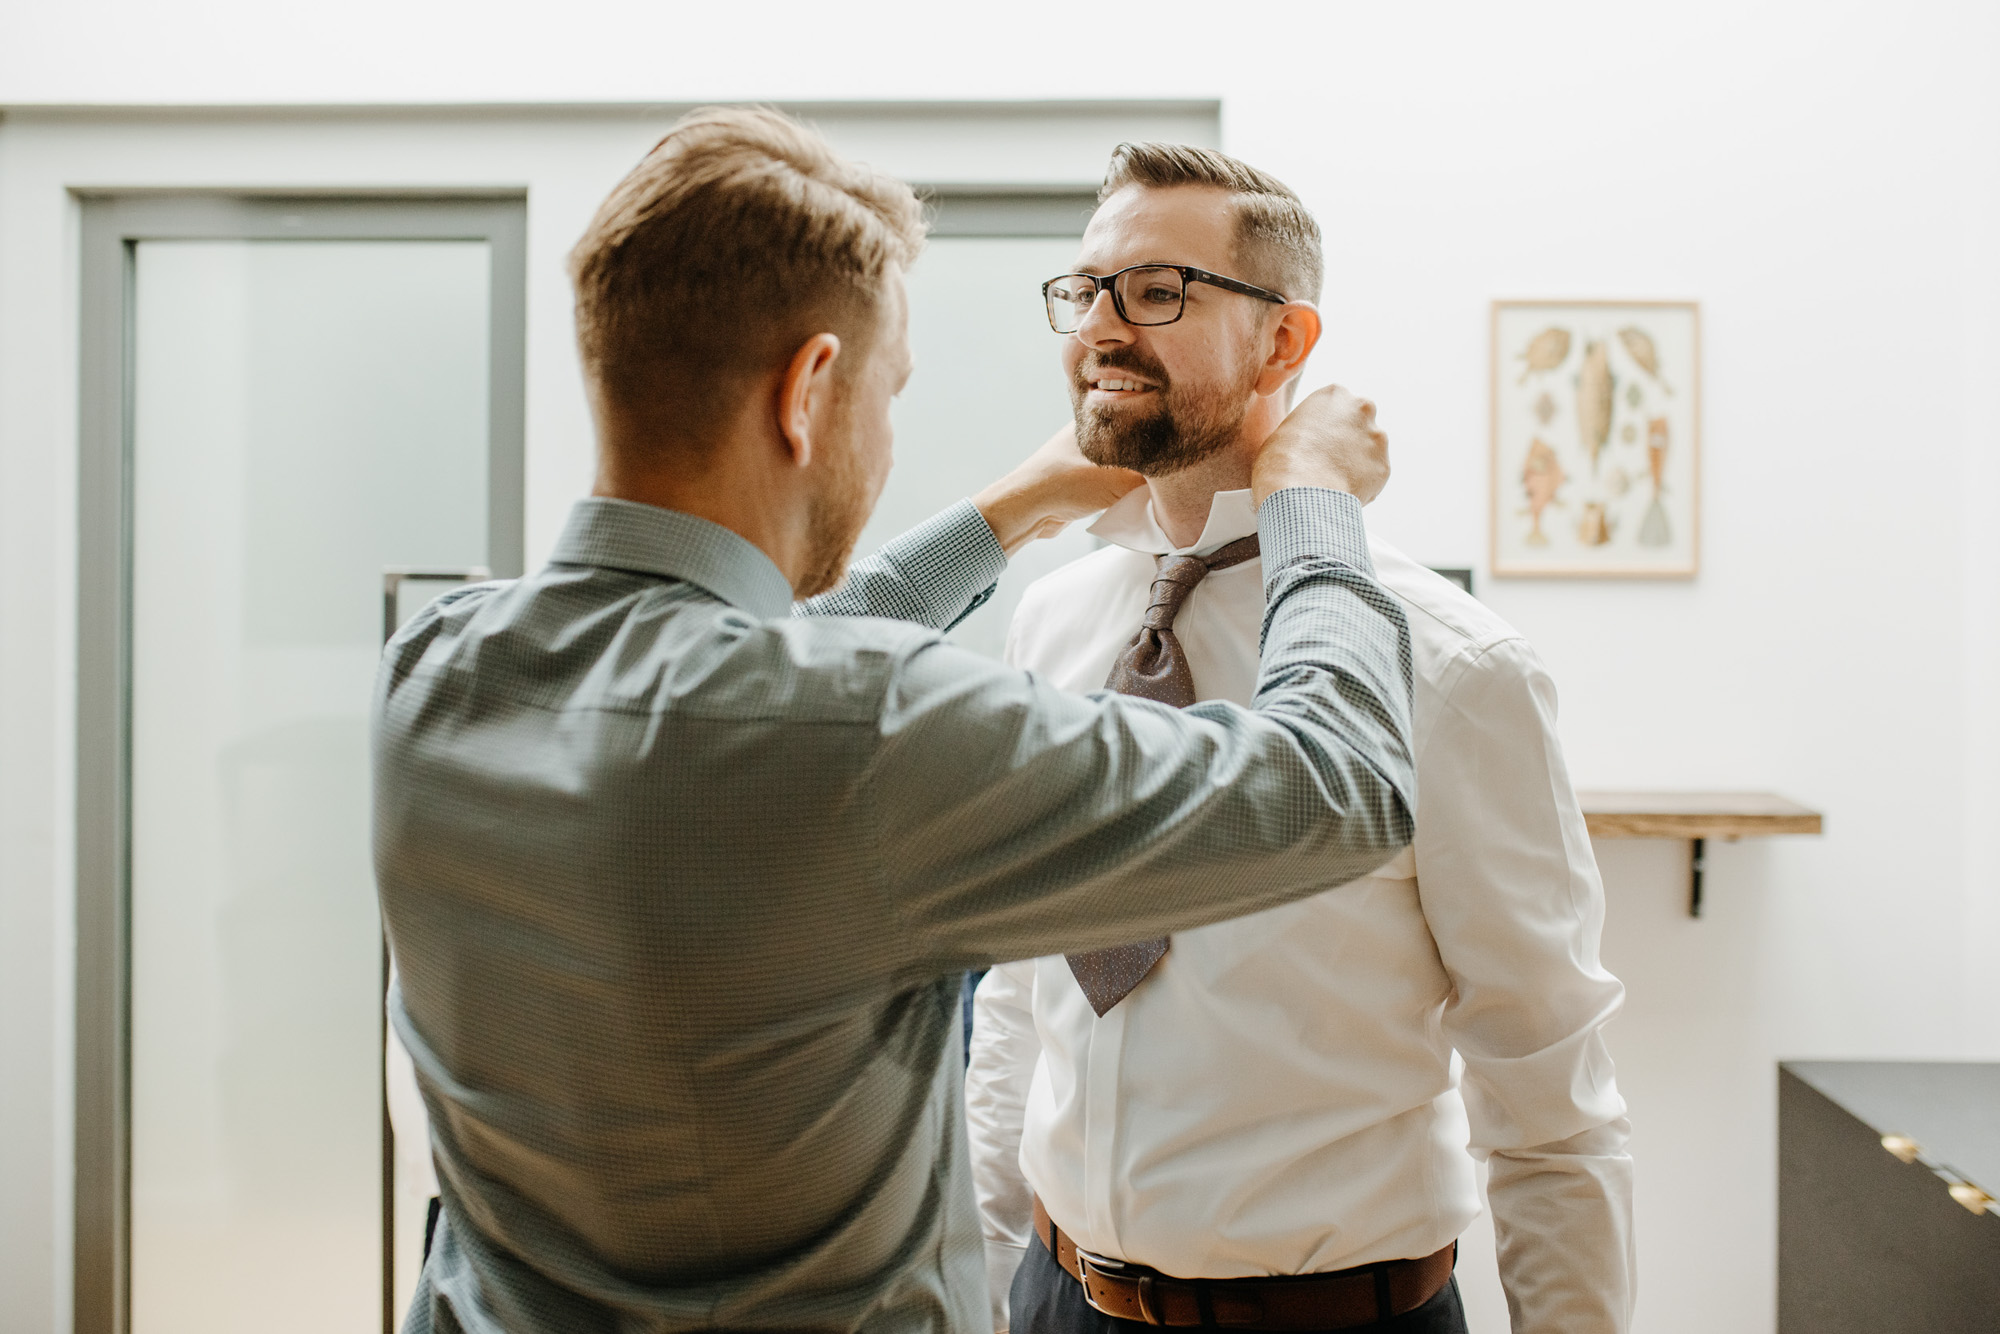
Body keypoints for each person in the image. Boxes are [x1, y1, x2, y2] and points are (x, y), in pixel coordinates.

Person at [373, 108, 1422, 1334]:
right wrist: (1309, 503)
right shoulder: (866, 733)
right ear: (810, 389)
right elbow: (1332, 786)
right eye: (889, 392)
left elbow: (739, 667)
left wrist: (1009, 510)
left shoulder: (436, 670)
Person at [966, 145, 1633, 1334]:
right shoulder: (1053, 618)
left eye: (1157, 289)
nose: (1102, 328)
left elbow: (1550, 1090)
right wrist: (984, 1274)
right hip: (1052, 1297)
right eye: (1085, 290)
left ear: (1284, 342)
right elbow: (1021, 994)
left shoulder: (1452, 663)